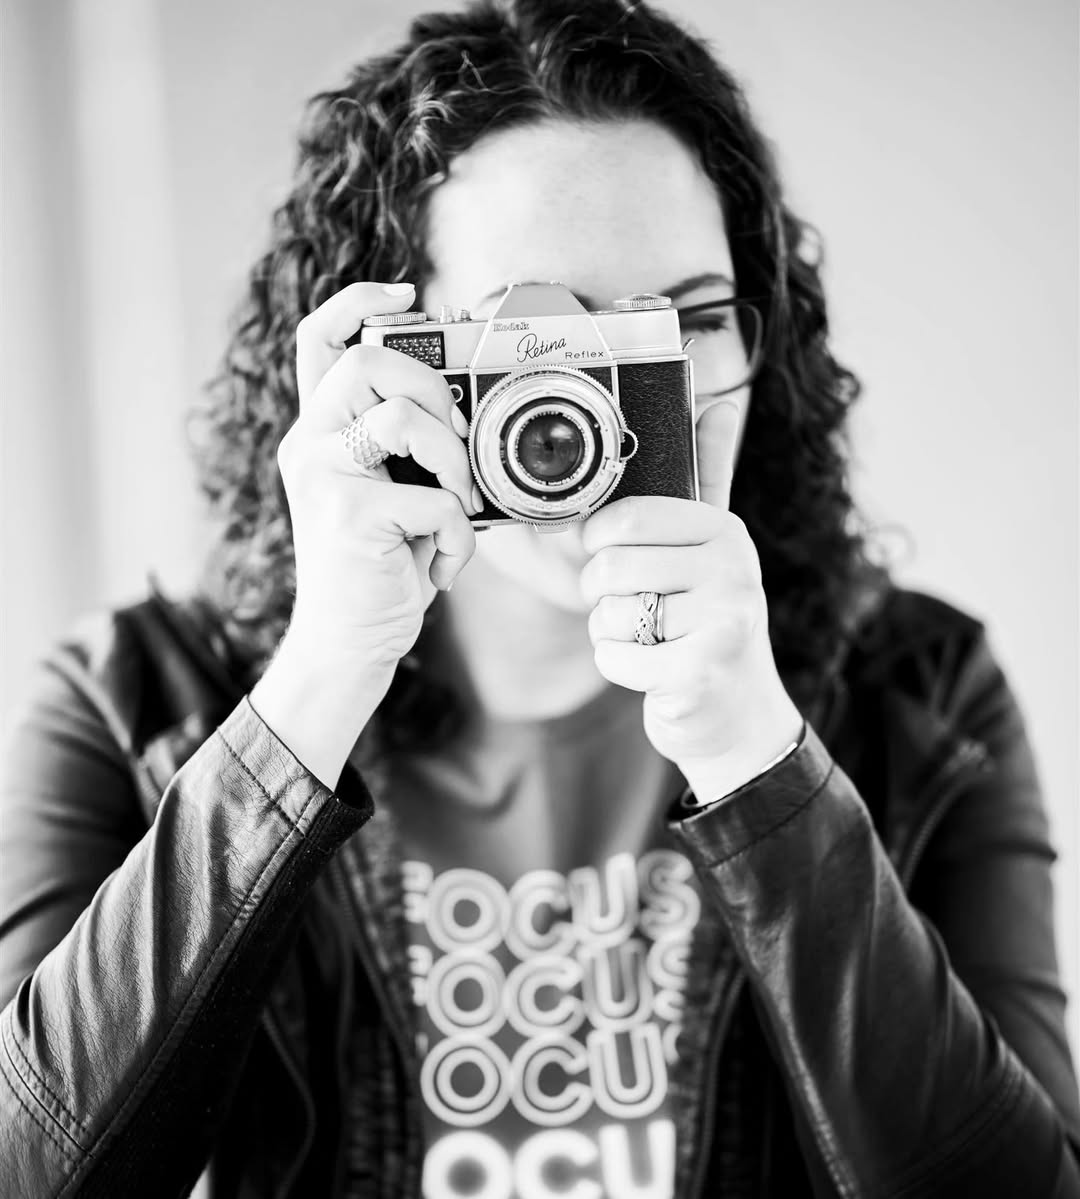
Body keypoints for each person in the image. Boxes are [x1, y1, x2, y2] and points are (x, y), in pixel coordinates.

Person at [1, 0, 1077, 1195]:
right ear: (384, 359)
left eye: (685, 319)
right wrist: (316, 684)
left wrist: (760, 764)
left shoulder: (921, 694)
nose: (605, 398)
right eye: (536, 332)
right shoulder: (132, 704)